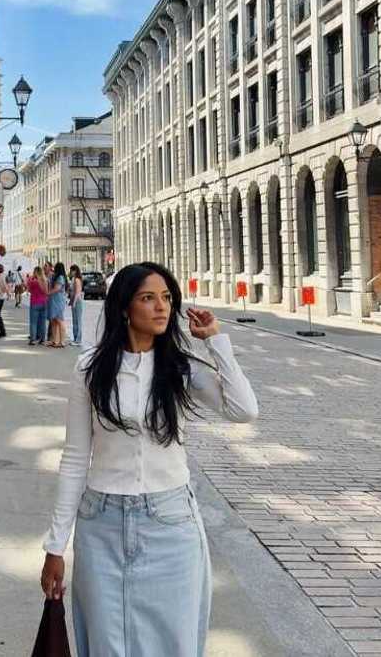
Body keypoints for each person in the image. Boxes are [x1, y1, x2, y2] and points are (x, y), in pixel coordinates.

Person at [40, 262, 259, 656]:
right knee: (107, 645)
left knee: (171, 644)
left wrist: (216, 341)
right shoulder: (90, 369)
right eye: (148, 298)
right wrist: (55, 546)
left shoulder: (180, 369)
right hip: (100, 526)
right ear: (124, 307)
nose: (161, 308)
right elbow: (75, 458)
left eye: (167, 298)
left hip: (170, 525)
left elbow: (243, 410)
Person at [46, 262, 70, 348]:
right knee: (54, 320)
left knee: (60, 320)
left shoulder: (60, 277)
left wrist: (48, 293)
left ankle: (62, 341)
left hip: (58, 300)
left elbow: (57, 288)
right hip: (54, 300)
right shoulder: (55, 276)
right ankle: (54, 340)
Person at [26, 266, 49, 346]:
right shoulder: (45, 280)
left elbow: (28, 290)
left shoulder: (33, 281)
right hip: (44, 303)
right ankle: (42, 339)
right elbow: (46, 292)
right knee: (42, 322)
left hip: (35, 303)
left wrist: (29, 279)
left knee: (33, 322)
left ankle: (33, 339)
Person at [69, 264, 85, 347]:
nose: (70, 272)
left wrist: (74, 302)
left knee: (78, 321)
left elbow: (77, 292)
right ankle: (75, 338)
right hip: (74, 301)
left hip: (77, 301)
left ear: (75, 271)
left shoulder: (77, 280)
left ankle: (78, 339)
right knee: (74, 321)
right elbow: (72, 292)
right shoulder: (73, 279)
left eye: (71, 270)